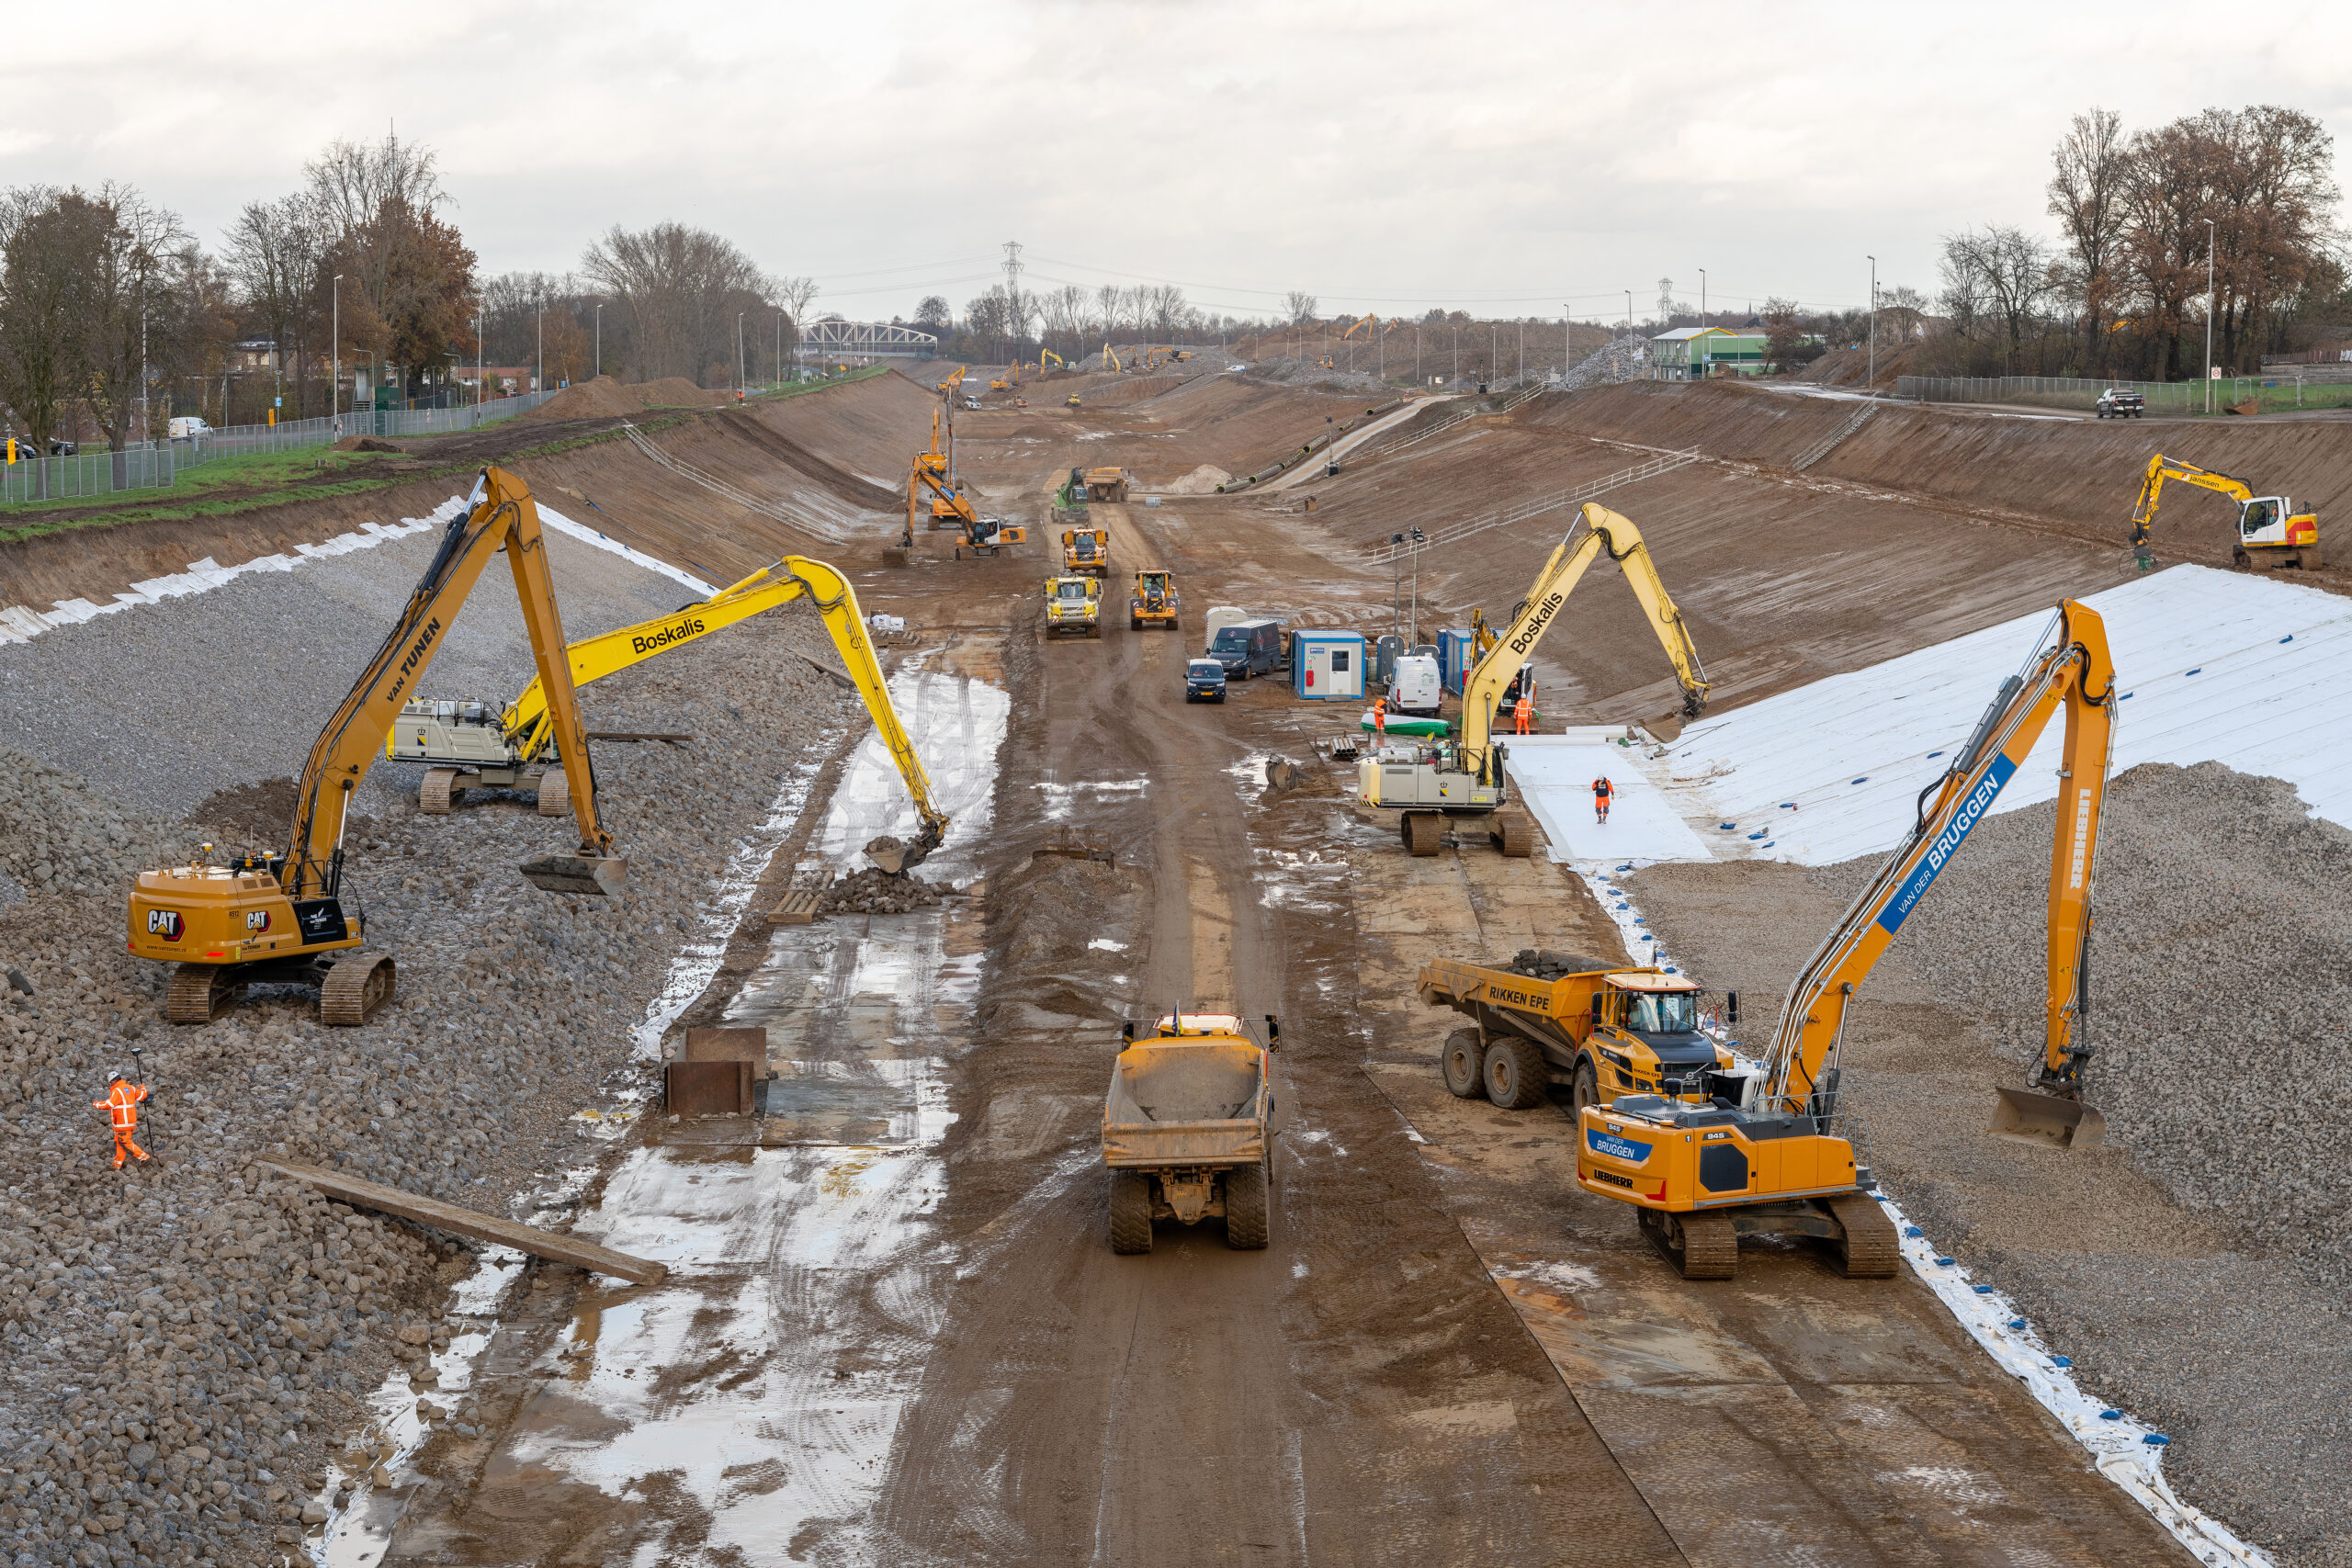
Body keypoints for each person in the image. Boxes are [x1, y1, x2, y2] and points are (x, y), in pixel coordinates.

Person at [94, 1072, 150, 1168]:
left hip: (122, 1122)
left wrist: (97, 1104)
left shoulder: (117, 1091)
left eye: (110, 1083)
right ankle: (116, 1165)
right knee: (119, 1142)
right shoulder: (130, 1088)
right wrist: (143, 1087)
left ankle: (144, 1157)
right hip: (130, 1121)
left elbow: (109, 1104)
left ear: (114, 1081)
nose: (110, 1085)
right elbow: (142, 1096)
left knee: (124, 1142)